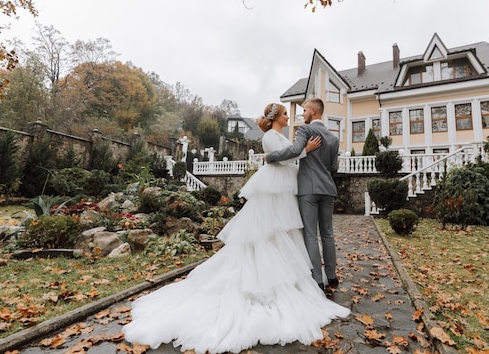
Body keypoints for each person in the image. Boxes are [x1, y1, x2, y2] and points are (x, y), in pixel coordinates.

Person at [122, 102, 349, 354]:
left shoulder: (291, 135)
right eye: (286, 113)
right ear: (276, 118)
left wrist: (299, 152)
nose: (291, 115)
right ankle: (318, 277)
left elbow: (292, 155)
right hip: (278, 189)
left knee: (294, 233)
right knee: (276, 233)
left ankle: (313, 278)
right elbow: (298, 157)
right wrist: (300, 151)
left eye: (294, 112)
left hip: (292, 189)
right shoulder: (272, 137)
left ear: (313, 112)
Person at [265, 98, 340, 291]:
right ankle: (332, 276)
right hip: (328, 189)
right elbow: (334, 167)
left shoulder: (305, 130)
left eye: (305, 110)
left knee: (310, 235)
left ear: (314, 111)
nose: (302, 114)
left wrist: (270, 157)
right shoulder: (333, 138)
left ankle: (317, 280)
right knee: (328, 234)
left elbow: (295, 150)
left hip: (308, 189)